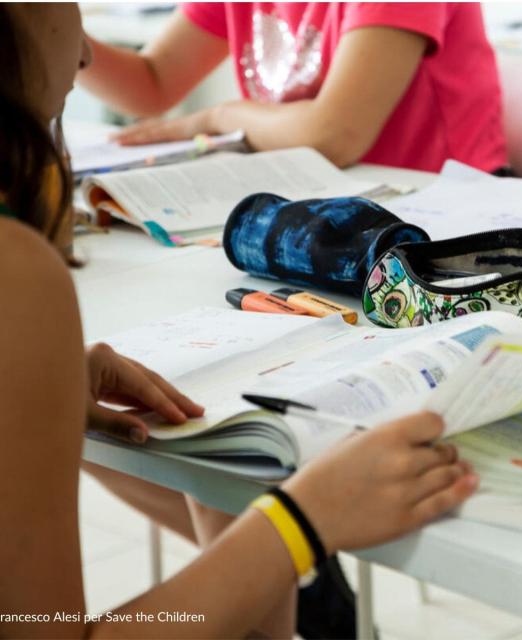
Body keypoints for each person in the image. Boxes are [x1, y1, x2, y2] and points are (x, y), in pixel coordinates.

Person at [0, 5, 478, 638]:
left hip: (416, 238)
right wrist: (299, 525)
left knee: (214, 471)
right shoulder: (16, 276)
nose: (85, 55)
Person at [77, 2, 507, 173]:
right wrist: (50, 31)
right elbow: (151, 83)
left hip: (435, 205)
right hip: (321, 189)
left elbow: (334, 136)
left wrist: (218, 118)